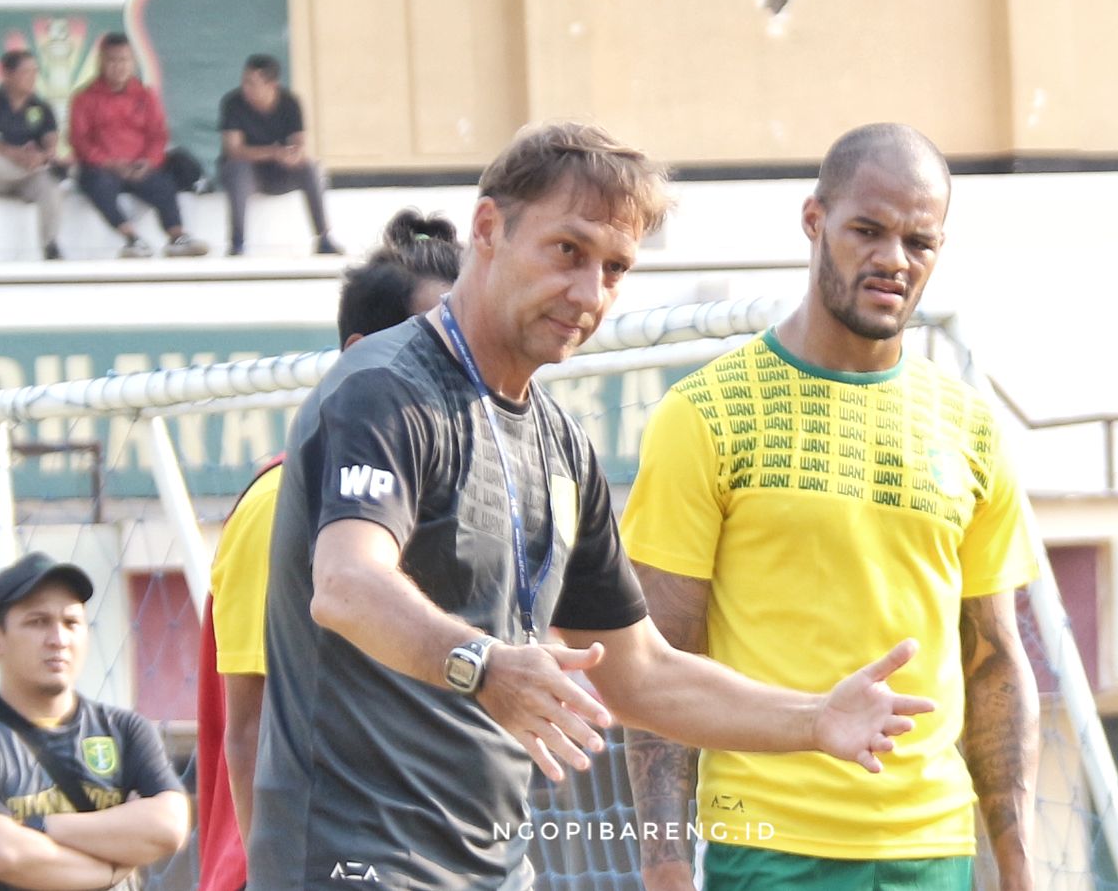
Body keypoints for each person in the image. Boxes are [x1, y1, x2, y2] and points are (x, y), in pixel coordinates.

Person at [245, 121, 937, 890]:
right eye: (567, 251)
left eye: (615, 268)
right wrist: (485, 663)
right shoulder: (385, 387)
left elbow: (640, 673)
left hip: (495, 871)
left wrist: (813, 719)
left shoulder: (562, 446)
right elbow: (345, 585)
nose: (589, 293)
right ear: (488, 229)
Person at [620, 123, 1042, 891]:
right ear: (814, 220)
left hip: (935, 852)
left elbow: (995, 661)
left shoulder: (973, 427)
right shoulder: (705, 414)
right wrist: (666, 869)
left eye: (920, 241)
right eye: (868, 230)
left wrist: (1018, 870)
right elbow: (660, 665)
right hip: (768, 850)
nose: (893, 260)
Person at [195, 209, 464, 891]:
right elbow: (249, 726)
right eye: (432, 337)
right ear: (357, 352)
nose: (459, 362)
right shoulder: (283, 496)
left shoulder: (434, 502)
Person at [0, 552, 189, 889]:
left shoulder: (126, 730)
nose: (58, 639)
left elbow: (169, 827)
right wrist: (113, 868)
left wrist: (37, 826)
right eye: (37, 622)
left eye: (72, 622)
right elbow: (0, 852)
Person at [69, 32, 208, 258]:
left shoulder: (145, 95)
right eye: (112, 60)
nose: (119, 67)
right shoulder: (84, 98)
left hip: (139, 167)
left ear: (133, 62)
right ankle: (132, 240)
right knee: (96, 183)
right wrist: (110, 164)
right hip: (104, 169)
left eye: (124, 60)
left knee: (164, 184)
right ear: (101, 62)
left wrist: (148, 161)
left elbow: (158, 134)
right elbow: (80, 141)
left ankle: (177, 237)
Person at [218, 54, 342, 257]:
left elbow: (299, 142)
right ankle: (237, 242)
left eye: (252, 83)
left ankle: (324, 238)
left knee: (311, 167)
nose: (245, 88)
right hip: (249, 173)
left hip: (281, 172)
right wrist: (273, 152)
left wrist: (294, 156)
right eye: (244, 82)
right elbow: (234, 150)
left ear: (272, 85)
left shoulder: (290, 102)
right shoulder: (233, 103)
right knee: (237, 169)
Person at [0, 50, 66, 260]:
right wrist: (12, 154)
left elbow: (51, 139)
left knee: (50, 188)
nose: (31, 78)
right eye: (25, 72)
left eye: (34, 72)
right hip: (0, 174)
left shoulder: (40, 107)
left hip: (30, 173)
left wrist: (42, 155)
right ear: (7, 74)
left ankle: (49, 245)